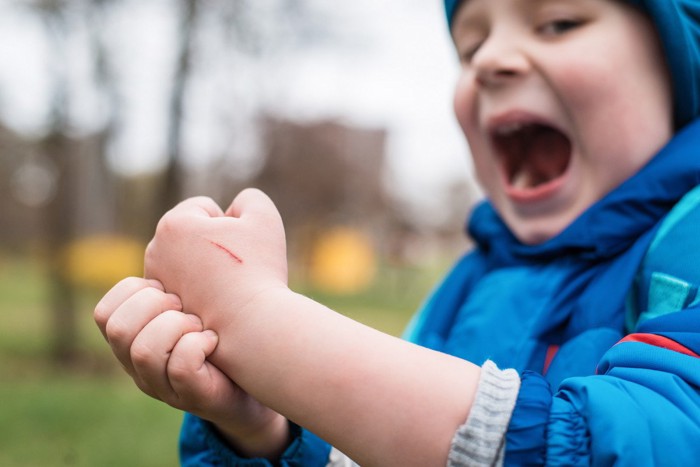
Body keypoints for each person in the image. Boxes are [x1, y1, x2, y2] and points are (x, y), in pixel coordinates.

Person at [94, 0, 700, 464]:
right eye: (470, 45)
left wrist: (253, 321)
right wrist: (263, 428)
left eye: (559, 22)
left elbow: (637, 442)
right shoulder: (468, 284)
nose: (489, 60)